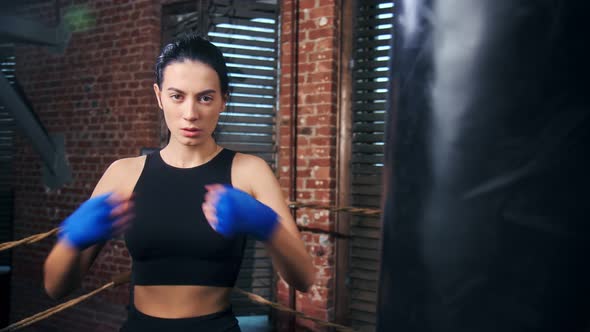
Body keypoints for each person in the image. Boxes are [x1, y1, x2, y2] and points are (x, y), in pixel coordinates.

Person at [43, 34, 315, 332]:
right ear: (159, 96)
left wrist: (268, 226)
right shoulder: (123, 173)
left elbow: (303, 279)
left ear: (224, 99)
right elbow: (55, 288)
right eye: (177, 96)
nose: (190, 114)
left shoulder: (249, 171)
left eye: (205, 97)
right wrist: (71, 241)